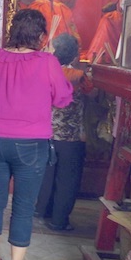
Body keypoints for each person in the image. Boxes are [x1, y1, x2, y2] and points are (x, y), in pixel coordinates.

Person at [0, 8, 73, 260]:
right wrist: (52, 64)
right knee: (22, 206)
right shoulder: (47, 62)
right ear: (42, 36)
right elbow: (63, 99)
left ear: (14, 31)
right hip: (31, 144)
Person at [35, 33, 91, 231]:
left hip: (45, 133)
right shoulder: (79, 76)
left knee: (46, 175)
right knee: (67, 179)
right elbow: (92, 93)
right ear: (74, 55)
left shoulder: (43, 72)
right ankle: (59, 221)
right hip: (71, 136)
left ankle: (41, 210)